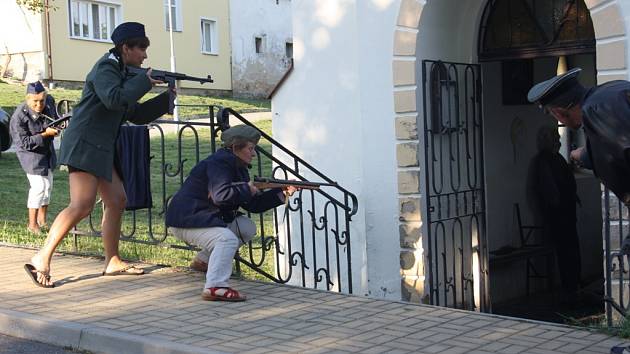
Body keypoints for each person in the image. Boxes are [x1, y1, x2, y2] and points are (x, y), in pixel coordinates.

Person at [24, 22, 172, 288]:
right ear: (126, 48)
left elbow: (134, 113)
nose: (145, 56)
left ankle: (112, 260)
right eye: (141, 49)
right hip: (85, 142)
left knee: (116, 199)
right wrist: (143, 82)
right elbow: (114, 99)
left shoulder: (121, 70)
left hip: (101, 146)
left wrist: (167, 98)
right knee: (81, 205)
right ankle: (41, 258)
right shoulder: (107, 67)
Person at [166, 125, 296, 301]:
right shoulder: (219, 163)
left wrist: (281, 192)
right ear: (236, 147)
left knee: (246, 228)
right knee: (226, 239)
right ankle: (215, 286)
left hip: (200, 217)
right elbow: (221, 195)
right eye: (250, 148)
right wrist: (247, 188)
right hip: (186, 219)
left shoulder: (237, 166)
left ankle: (204, 261)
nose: (254, 153)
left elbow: (254, 205)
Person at [527, 68, 630, 252]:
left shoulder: (595, 110)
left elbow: (625, 148)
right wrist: (585, 155)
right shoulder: (611, 92)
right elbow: (613, 150)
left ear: (559, 113)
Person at [531, 125, 581, 297]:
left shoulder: (557, 158)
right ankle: (570, 288)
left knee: (571, 250)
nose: (559, 141)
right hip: (558, 215)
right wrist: (558, 206)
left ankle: (574, 286)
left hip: (566, 212)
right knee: (565, 251)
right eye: (555, 138)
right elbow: (550, 190)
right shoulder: (544, 161)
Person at [9, 81, 59, 234]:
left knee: (48, 187)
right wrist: (45, 134)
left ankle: (42, 221)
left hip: (47, 151)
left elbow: (56, 118)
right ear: (27, 99)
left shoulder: (49, 102)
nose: (39, 105)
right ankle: (32, 225)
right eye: (35, 101)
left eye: (41, 100)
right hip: (30, 154)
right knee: (39, 187)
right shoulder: (19, 117)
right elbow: (24, 143)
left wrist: (59, 125)